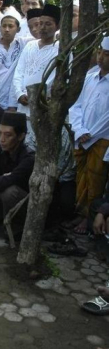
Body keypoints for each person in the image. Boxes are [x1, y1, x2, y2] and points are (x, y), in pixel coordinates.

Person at [68, 37, 109, 232]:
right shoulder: (90, 77)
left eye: (106, 54)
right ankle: (79, 213)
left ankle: (89, 218)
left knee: (96, 179)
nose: (101, 57)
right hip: (82, 136)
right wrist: (80, 129)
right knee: (81, 176)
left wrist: (90, 135)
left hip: (102, 139)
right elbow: (76, 106)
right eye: (100, 52)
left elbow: (107, 118)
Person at [12, 4, 60, 116]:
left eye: (48, 24)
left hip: (43, 106)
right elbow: (19, 72)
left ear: (57, 26)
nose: (42, 28)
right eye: (41, 23)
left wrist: (36, 96)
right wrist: (19, 94)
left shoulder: (61, 49)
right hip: (23, 105)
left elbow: (55, 79)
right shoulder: (30, 46)